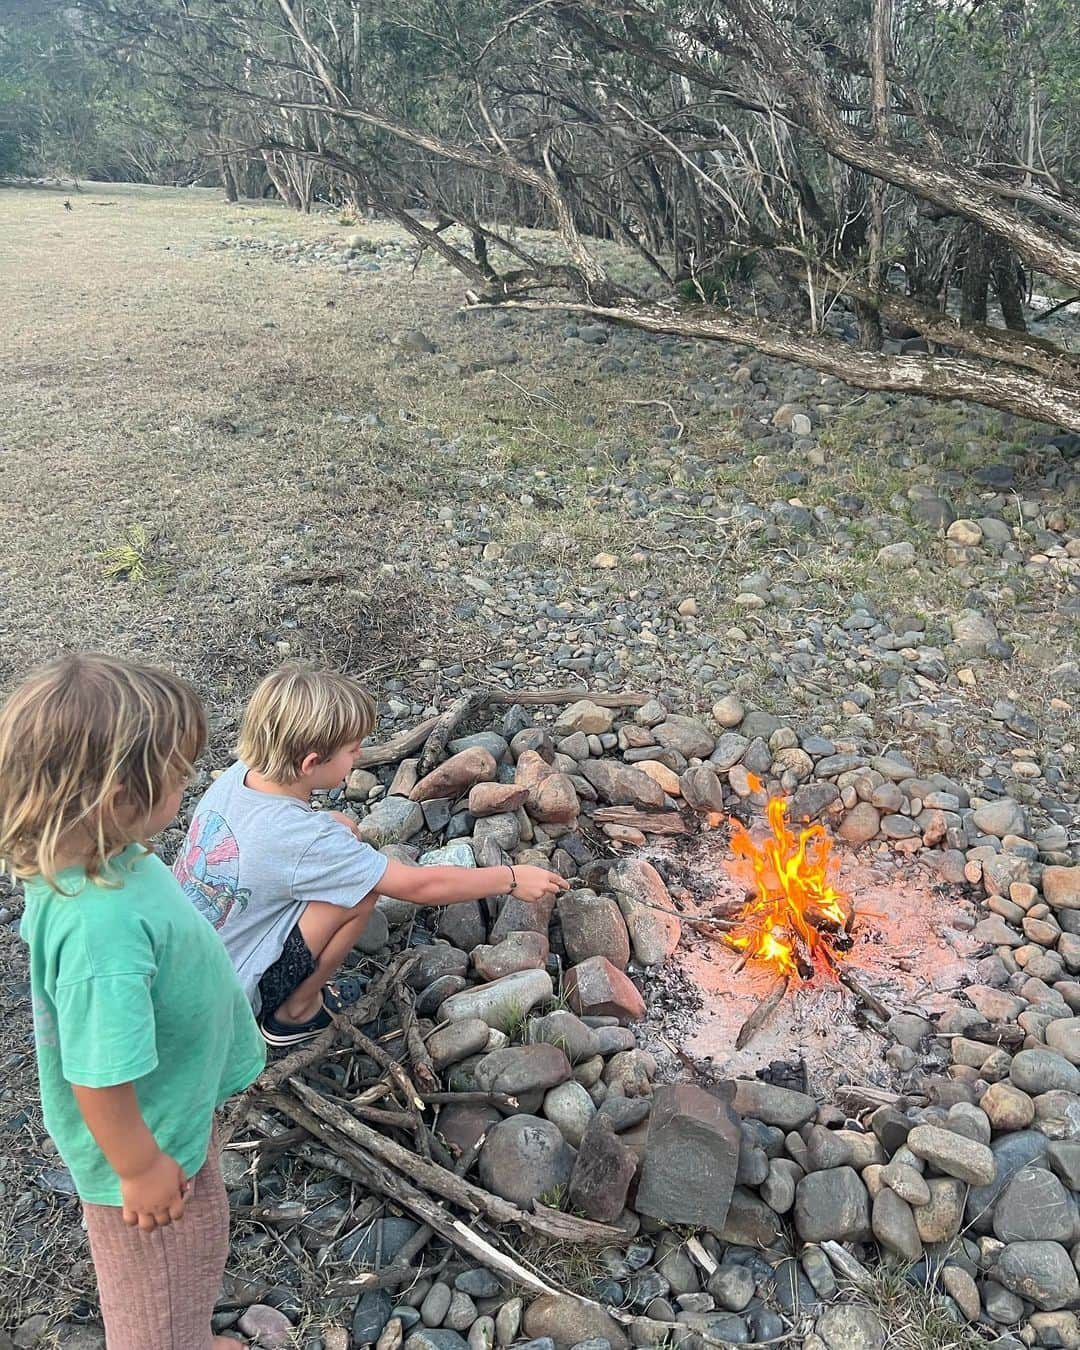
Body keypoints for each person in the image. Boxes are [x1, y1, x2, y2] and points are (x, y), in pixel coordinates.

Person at [0, 653, 266, 1350]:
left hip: (170, 1107)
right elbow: (97, 1072)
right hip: (142, 1143)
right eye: (178, 774)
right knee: (157, 1294)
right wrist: (140, 1170)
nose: (189, 782)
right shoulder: (100, 930)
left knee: (197, 1246)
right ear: (119, 794)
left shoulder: (101, 855)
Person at [175, 663, 568, 1047]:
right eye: (352, 749)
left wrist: (324, 821)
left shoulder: (240, 774)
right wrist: (510, 878)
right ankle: (293, 1016)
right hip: (228, 997)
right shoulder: (307, 840)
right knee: (361, 891)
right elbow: (418, 884)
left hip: (191, 961)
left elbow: (270, 840)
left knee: (341, 848)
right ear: (311, 762)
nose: (360, 755)